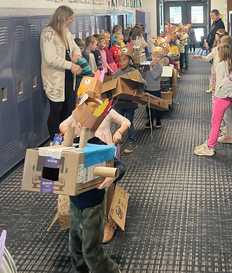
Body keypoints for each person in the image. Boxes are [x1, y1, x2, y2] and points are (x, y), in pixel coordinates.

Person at [59, 94, 125, 272]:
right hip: (75, 203)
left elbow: (119, 166)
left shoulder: (101, 147)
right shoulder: (71, 145)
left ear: (79, 125)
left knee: (90, 251)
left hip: (93, 206)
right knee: (75, 248)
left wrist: (113, 175)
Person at [194, 49, 232, 156]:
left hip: (223, 99)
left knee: (215, 123)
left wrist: (230, 94)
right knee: (214, 122)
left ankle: (210, 147)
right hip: (221, 97)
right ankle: (209, 143)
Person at [40, 5, 82, 141]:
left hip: (68, 78)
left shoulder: (66, 32)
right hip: (55, 79)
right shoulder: (48, 33)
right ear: (63, 18)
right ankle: (54, 140)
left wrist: (76, 54)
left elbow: (75, 46)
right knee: (56, 110)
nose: (72, 21)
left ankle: (65, 139)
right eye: (70, 18)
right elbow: (50, 58)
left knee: (66, 109)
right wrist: (71, 65)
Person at [112, 47, 147, 155]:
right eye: (120, 60)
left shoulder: (134, 72)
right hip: (119, 103)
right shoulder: (117, 73)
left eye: (124, 59)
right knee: (118, 124)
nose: (121, 62)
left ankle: (132, 141)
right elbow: (112, 86)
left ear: (130, 61)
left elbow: (144, 84)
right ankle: (119, 144)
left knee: (129, 122)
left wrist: (137, 89)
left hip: (130, 103)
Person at [192, 29, 227, 95]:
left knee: (220, 91)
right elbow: (208, 58)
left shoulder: (226, 50)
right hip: (214, 71)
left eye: (217, 35)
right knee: (215, 92)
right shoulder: (216, 49)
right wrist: (200, 56)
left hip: (222, 73)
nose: (216, 36)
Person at [144, 48, 164, 129]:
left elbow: (155, 76)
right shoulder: (147, 65)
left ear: (160, 59)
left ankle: (158, 121)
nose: (155, 58)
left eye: (158, 57)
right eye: (154, 56)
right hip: (148, 88)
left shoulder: (159, 67)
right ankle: (150, 120)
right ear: (151, 56)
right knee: (148, 106)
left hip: (156, 89)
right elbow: (142, 75)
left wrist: (151, 68)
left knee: (156, 106)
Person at [73, 38, 93, 110]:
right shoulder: (75, 58)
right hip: (81, 80)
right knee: (80, 97)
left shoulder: (80, 56)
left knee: (87, 96)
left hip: (87, 80)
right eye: (80, 48)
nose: (82, 50)